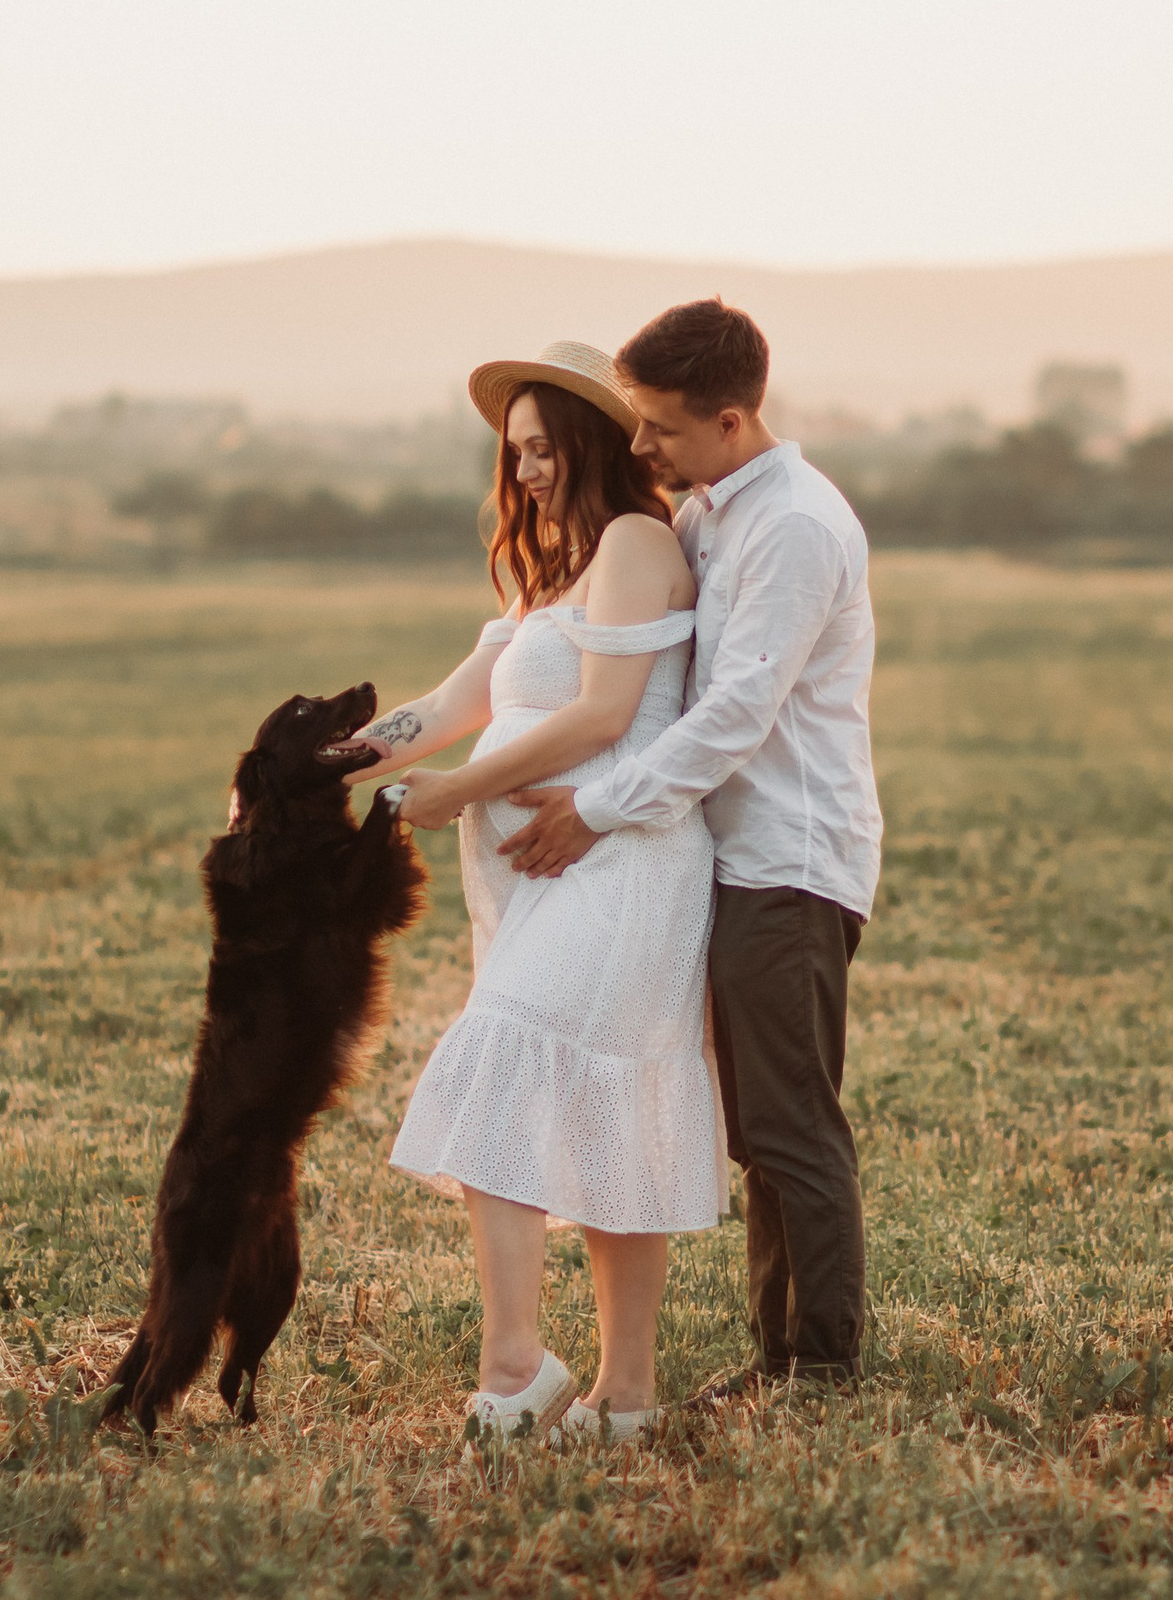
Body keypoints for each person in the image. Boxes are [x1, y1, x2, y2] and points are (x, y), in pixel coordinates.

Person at [501, 299, 883, 1394]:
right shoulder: (707, 512)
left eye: (658, 428)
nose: (638, 448)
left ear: (727, 418)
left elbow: (732, 716)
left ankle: (822, 1366)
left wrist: (597, 807)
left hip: (789, 861)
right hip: (730, 859)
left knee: (787, 1117)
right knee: (755, 1125)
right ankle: (779, 1355)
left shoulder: (796, 526)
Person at [347, 340, 717, 1443]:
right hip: (542, 876)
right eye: (515, 455)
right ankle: (628, 1400)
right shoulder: (542, 576)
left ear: (594, 442)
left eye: (547, 449)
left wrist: (456, 792)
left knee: (501, 1060)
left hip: (627, 861)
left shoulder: (638, 544)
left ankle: (514, 1369)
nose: (529, 472)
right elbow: (453, 700)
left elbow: (604, 716)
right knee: (606, 1106)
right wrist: (317, 768)